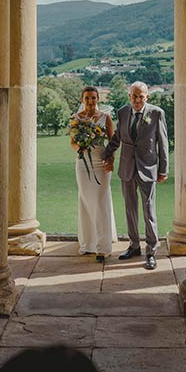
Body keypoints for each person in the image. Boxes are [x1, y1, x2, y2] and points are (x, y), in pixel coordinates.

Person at [103, 81, 169, 270]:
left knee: (149, 211)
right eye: (134, 96)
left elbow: (162, 144)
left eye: (141, 96)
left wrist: (163, 169)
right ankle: (133, 246)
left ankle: (151, 252)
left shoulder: (156, 113)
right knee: (130, 210)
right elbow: (118, 137)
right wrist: (106, 153)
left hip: (148, 169)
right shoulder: (123, 112)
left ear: (147, 96)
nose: (137, 100)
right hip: (127, 168)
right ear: (129, 96)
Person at [70, 87, 118, 261]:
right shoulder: (76, 119)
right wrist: (80, 148)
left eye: (93, 98)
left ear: (98, 99)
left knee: (100, 201)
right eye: (87, 98)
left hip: (101, 162)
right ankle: (89, 243)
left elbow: (112, 143)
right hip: (83, 163)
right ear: (82, 99)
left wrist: (110, 161)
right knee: (86, 200)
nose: (91, 101)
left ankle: (102, 247)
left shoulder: (106, 118)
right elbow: (72, 142)